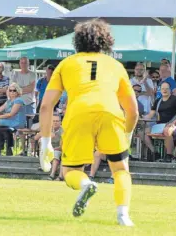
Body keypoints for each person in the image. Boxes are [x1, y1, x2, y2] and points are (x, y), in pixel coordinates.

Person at [39, 19, 139, 226]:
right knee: (121, 170)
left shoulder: (66, 64)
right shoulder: (116, 65)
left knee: (69, 172)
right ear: (106, 41)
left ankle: (85, 184)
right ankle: (123, 215)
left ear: (77, 41)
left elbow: (46, 106)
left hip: (78, 114)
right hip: (110, 113)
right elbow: (133, 111)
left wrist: (45, 141)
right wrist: (127, 135)